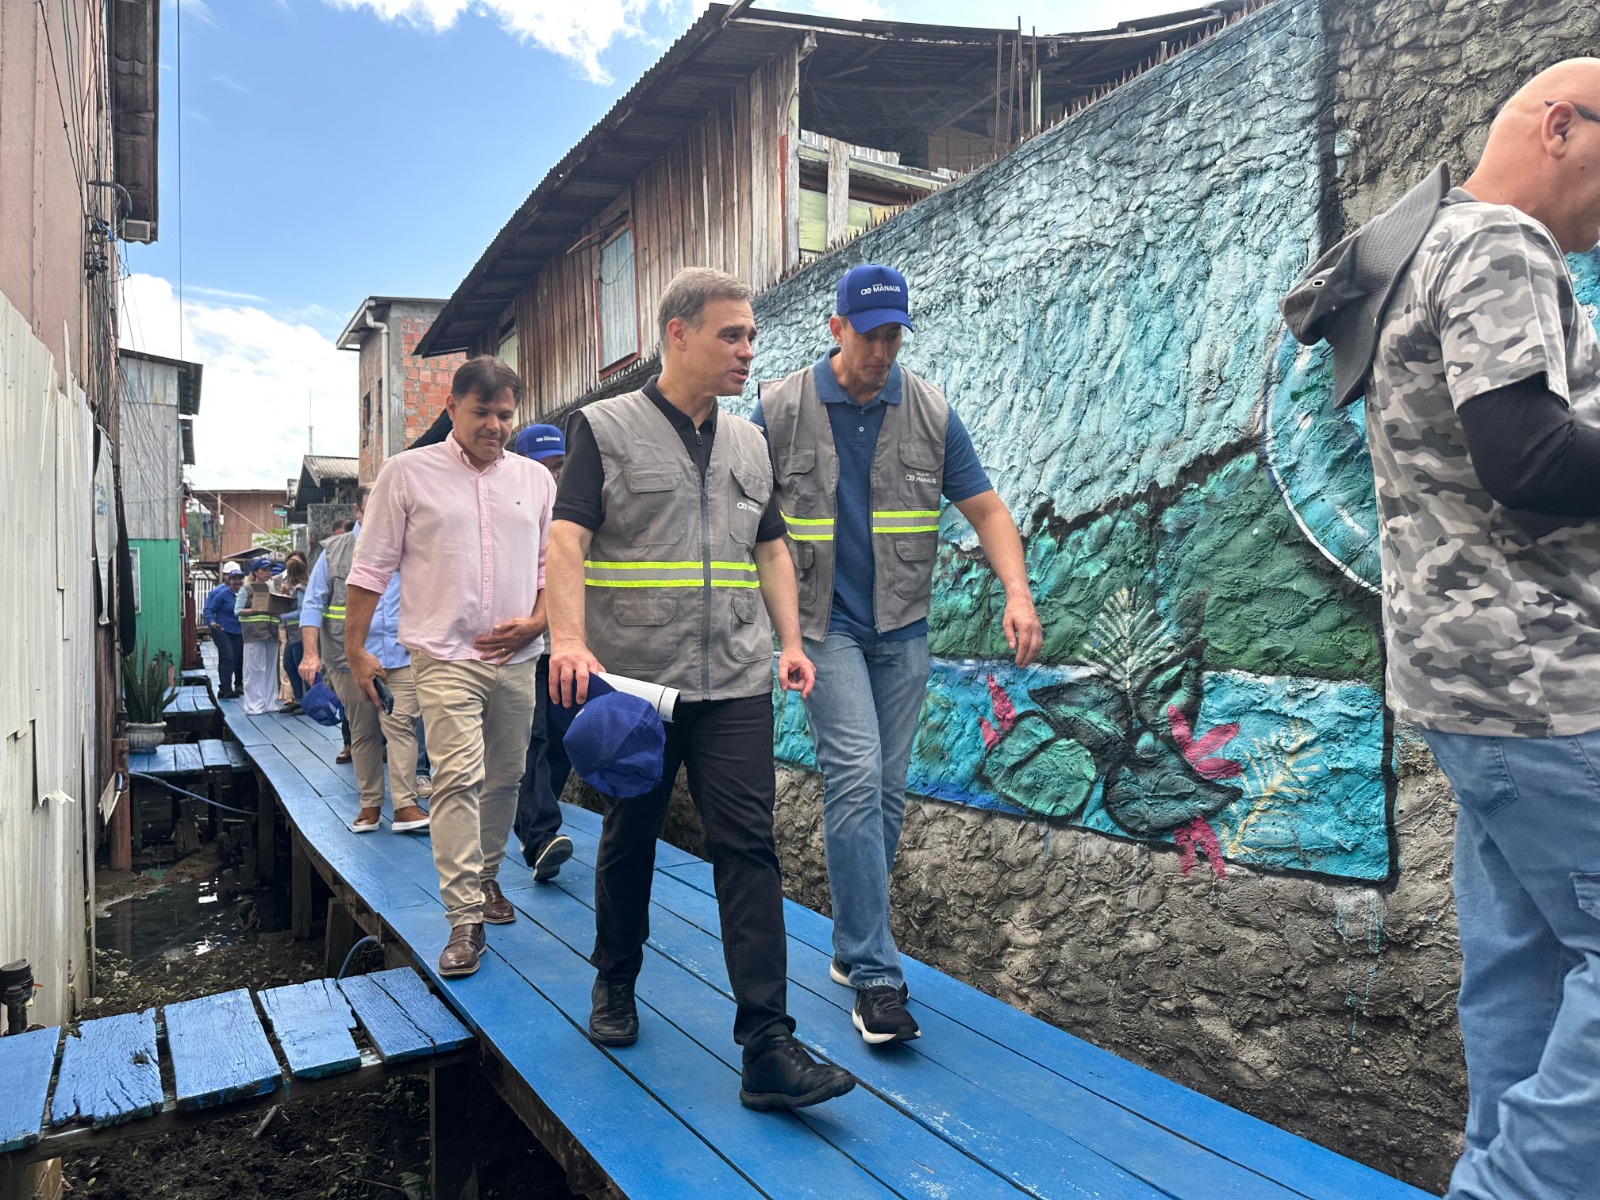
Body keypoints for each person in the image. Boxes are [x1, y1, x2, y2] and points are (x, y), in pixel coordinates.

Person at [1281, 59, 1600, 1200]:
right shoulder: (1500, 243)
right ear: (1561, 126)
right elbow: (1528, 460)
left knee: (1522, 968)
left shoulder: (1423, 248)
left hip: (1469, 688)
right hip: (1544, 685)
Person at [546, 267, 856, 1111]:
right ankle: (615, 978)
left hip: (735, 682)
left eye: (751, 335)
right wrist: (567, 639)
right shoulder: (603, 428)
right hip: (635, 685)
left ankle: (768, 1044)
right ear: (677, 334)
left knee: (749, 847)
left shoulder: (751, 442)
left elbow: (770, 548)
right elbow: (567, 541)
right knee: (631, 834)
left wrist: (791, 642)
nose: (747, 350)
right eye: (731, 334)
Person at [754, 263, 1042, 1045]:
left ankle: (853, 943)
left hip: (901, 628)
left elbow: (987, 510)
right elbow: (737, 512)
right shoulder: (779, 410)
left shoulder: (930, 413)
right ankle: (876, 976)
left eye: (894, 336)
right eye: (869, 334)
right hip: (823, 628)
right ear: (836, 328)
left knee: (884, 792)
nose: (882, 351)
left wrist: (1018, 593)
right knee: (854, 774)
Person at [344, 356, 555, 979]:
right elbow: (370, 567)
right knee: (458, 777)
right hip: (443, 656)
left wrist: (538, 622)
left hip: (517, 658)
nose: (495, 426)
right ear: (451, 408)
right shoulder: (407, 473)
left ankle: (487, 877)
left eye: (505, 415)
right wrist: (355, 648)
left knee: (506, 778)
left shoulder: (535, 481)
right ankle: (464, 917)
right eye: (481, 412)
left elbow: (553, 569)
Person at [298, 489, 430, 835]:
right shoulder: (334, 551)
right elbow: (312, 604)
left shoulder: (411, 546)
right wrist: (310, 653)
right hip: (349, 660)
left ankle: (404, 805)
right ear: (357, 510)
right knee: (363, 733)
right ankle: (370, 804)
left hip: (400, 657)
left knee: (401, 727)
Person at [510, 423, 574, 882]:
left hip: (569, 648)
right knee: (534, 740)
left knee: (565, 740)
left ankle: (529, 821)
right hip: (527, 648)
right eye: (543, 466)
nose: (552, 475)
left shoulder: (576, 510)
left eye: (558, 465)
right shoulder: (512, 512)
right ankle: (540, 835)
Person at [236, 559, 282, 715]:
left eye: (269, 570)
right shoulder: (247, 589)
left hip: (271, 631)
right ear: (256, 572)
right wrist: (256, 609)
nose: (268, 573)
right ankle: (254, 705)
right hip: (254, 632)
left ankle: (269, 702)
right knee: (254, 668)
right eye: (264, 570)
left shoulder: (273, 588)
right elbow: (237, 610)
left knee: (270, 668)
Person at [204, 563, 245, 697]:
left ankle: (232, 686)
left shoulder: (245, 594)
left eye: (240, 579)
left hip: (238, 630)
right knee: (228, 656)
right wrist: (212, 622)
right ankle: (226, 688)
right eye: (234, 579)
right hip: (223, 630)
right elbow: (209, 609)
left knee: (235, 659)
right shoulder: (220, 594)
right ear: (228, 579)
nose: (237, 582)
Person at [277, 552, 309, 714]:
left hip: (299, 631)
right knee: (288, 664)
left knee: (301, 667)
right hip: (292, 632)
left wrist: (282, 616)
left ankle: (308, 701)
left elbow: (302, 611)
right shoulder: (294, 589)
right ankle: (299, 698)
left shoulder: (300, 588)